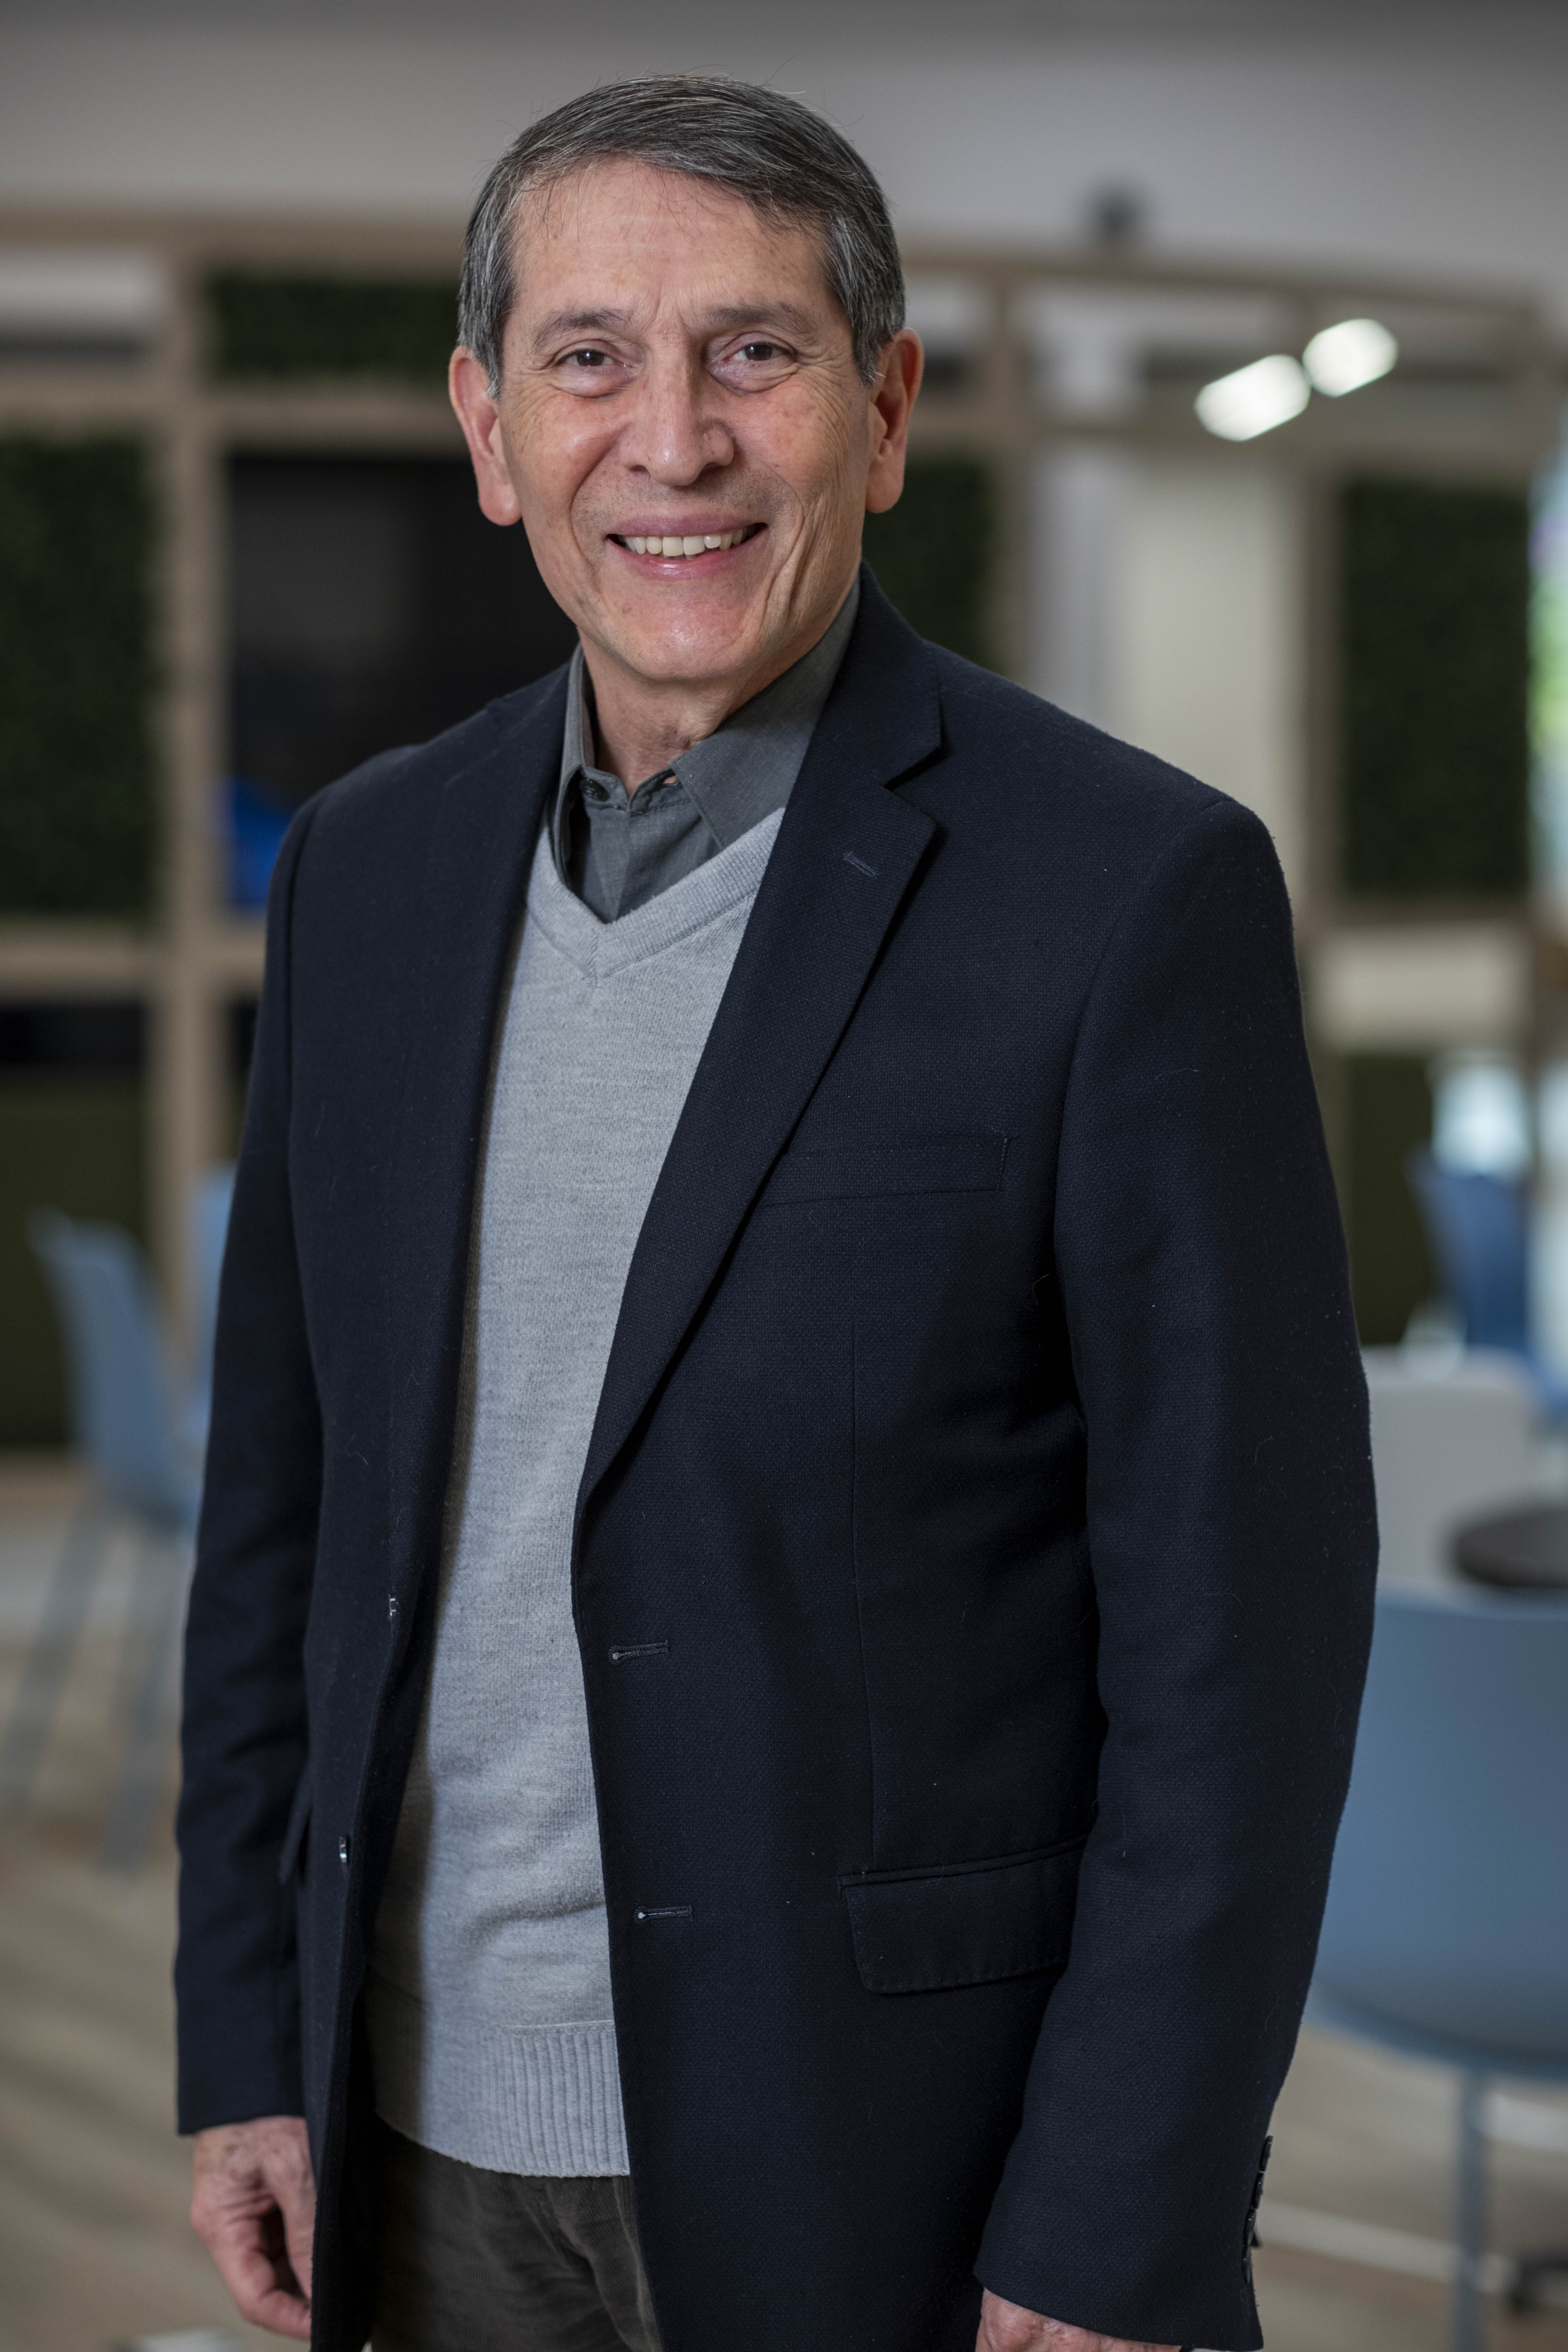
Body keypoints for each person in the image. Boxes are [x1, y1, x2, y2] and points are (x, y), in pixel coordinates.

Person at [176, 74, 1377, 2352]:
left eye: (755, 352)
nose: (676, 442)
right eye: (589, 359)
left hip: (901, 2161)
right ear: (490, 430)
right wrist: (247, 2028)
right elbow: (282, 1521)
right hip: (408, 2139)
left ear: (885, 409)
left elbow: (1246, 1638)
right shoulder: (367, 871)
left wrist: (1125, 2208)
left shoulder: (1131, 892)